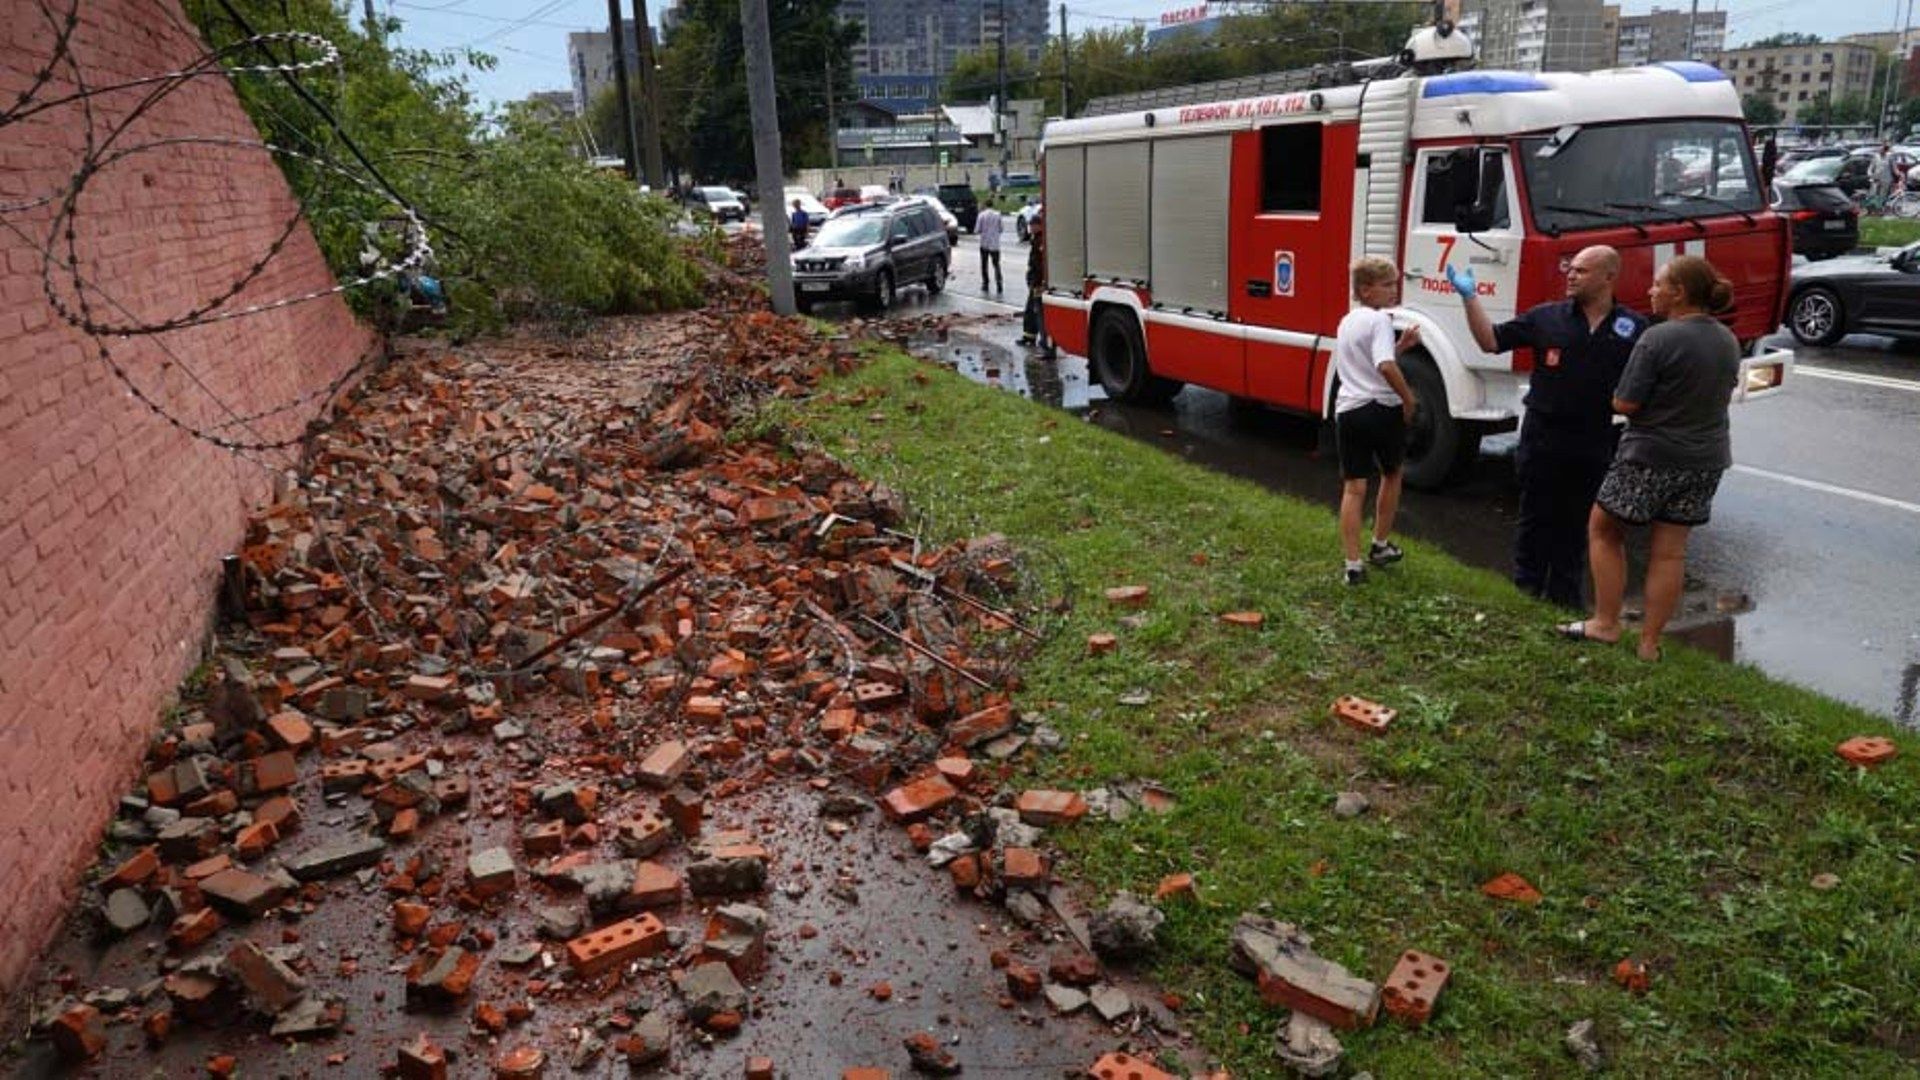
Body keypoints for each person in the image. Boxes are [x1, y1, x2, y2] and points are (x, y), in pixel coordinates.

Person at [1561, 255, 1739, 661]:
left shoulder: (1658, 338)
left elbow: (1625, 402)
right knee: (1670, 551)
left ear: (1678, 293)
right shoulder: (1726, 339)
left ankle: (1605, 623)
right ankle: (1649, 644)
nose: (1650, 290)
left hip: (1651, 455)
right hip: (1707, 459)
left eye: (1658, 284)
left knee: (1604, 530)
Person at [1447, 247, 1645, 609]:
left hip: (1593, 440)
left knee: (1577, 525)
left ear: (1608, 277)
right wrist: (1470, 298)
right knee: (1536, 519)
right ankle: (1525, 592)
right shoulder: (1546, 318)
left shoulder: (1632, 328)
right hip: (1544, 436)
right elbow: (1491, 341)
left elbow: (1651, 380)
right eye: (1570, 268)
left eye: (1582, 271)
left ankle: (1565, 598)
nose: (1571, 274)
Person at [1333, 257, 1420, 586]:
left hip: (1350, 410)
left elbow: (1368, 362)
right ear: (1366, 290)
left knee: (1354, 488)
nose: (1393, 290)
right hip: (1380, 409)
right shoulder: (1380, 319)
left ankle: (1352, 565)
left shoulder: (1347, 321)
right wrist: (1408, 398)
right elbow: (1383, 367)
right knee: (1392, 473)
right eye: (1386, 285)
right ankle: (1380, 545)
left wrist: (1400, 347)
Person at [1019, 209, 1052, 354]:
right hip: (1035, 283)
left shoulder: (1041, 241)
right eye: (1030, 225)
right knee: (1030, 311)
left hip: (1039, 284)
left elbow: (1040, 266)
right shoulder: (1036, 239)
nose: (1030, 228)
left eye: (1033, 225)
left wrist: (1037, 283)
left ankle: (1045, 344)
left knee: (1040, 314)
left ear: (1039, 225)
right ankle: (1029, 337)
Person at [976, 202, 1004, 293]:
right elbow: (1001, 229)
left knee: (984, 264)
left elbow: (977, 229)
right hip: (995, 244)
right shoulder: (998, 215)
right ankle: (999, 284)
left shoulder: (981, 215)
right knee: (996, 265)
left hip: (984, 243)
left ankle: (985, 283)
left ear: (985, 206)